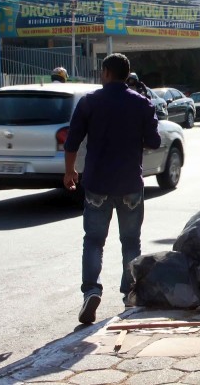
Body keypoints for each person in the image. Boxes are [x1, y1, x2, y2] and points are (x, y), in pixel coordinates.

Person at [63, 53, 161, 324]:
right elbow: (154, 141)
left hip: (97, 184)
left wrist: (70, 170)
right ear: (127, 74)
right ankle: (129, 293)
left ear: (106, 72)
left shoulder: (89, 102)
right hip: (130, 184)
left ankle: (91, 291)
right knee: (130, 242)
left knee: (93, 241)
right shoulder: (142, 103)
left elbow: (72, 141)